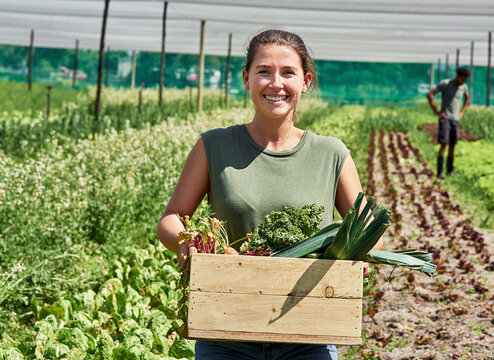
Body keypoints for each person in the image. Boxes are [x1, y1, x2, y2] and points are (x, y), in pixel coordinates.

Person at [156, 29, 381, 360]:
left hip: (309, 332)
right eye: (264, 71)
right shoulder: (213, 146)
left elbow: (367, 229)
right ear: (247, 79)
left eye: (287, 72)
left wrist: (357, 254)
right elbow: (171, 218)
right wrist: (187, 241)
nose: (276, 83)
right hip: (225, 328)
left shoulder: (331, 154)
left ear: (305, 82)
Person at [426, 67, 471, 179]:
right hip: (445, 119)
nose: (463, 81)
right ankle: (440, 172)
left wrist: (462, 113)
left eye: (465, 80)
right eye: (462, 79)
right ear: (458, 76)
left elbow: (467, 100)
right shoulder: (445, 84)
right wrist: (436, 111)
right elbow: (430, 94)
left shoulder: (464, 87)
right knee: (443, 144)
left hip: (455, 120)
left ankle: (450, 170)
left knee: (453, 145)